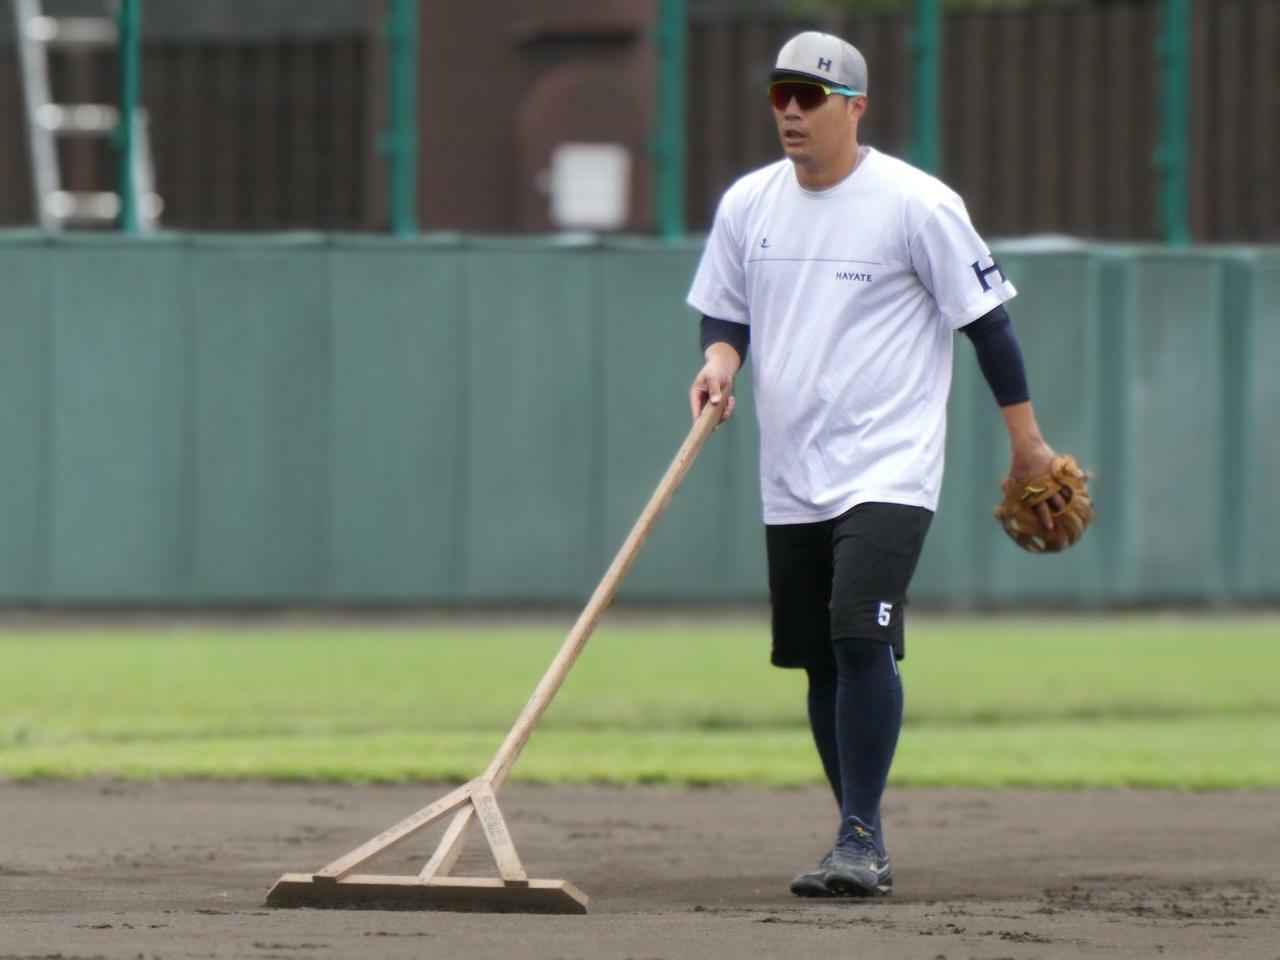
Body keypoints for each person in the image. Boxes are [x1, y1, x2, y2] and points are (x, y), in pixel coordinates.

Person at [685, 31, 1067, 899]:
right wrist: (720, 362)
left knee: (860, 628)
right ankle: (856, 835)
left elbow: (988, 325)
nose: (791, 109)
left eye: (810, 96)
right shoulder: (751, 204)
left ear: (855, 108)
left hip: (890, 464)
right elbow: (726, 314)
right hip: (791, 467)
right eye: (781, 92)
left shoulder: (916, 205)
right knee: (820, 654)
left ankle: (862, 838)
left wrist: (1028, 444)